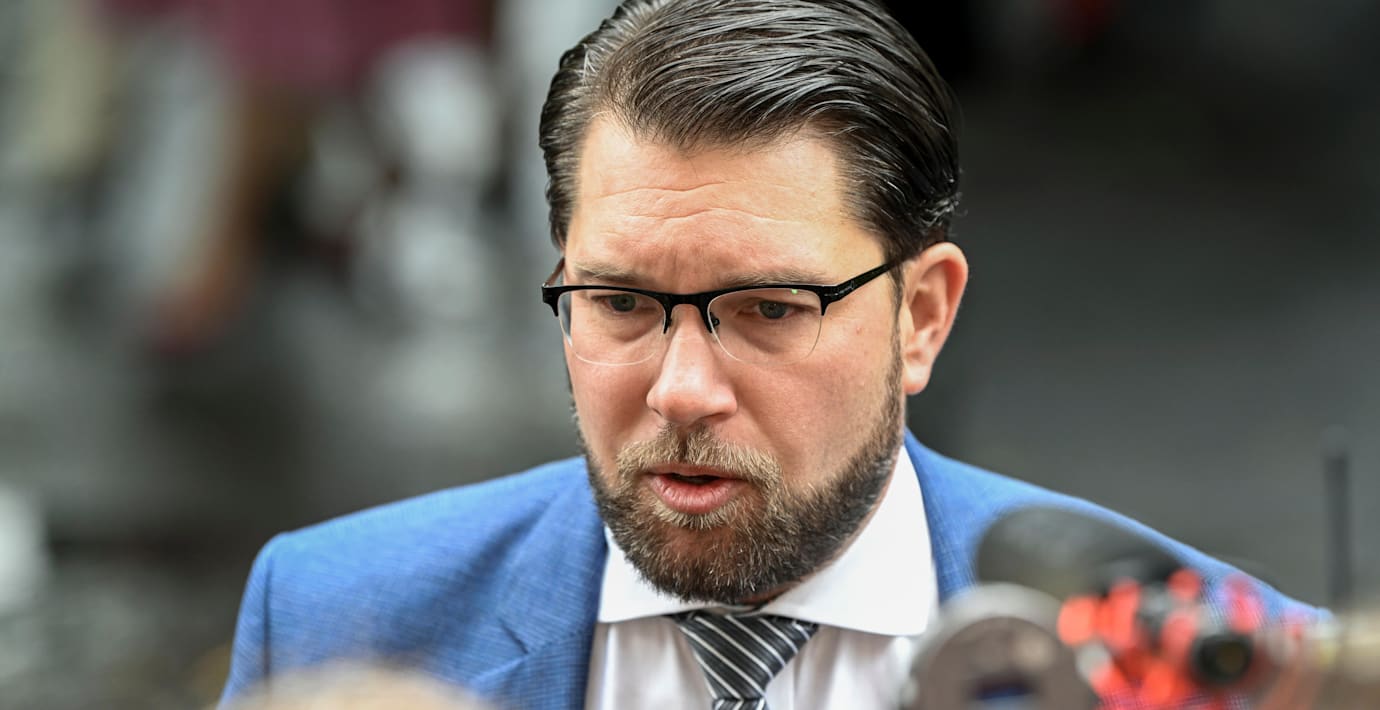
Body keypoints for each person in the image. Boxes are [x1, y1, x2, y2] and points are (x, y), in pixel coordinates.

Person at [220, 1, 1322, 708]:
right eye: (619, 302)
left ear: (922, 316)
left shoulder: (1217, 659)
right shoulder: (332, 614)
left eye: (769, 311)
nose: (682, 390)